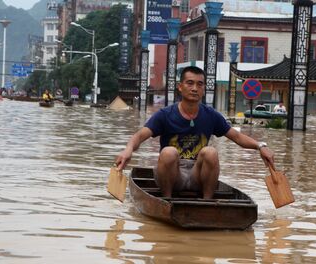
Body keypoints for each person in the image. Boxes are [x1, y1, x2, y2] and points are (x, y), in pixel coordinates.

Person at [114, 66, 275, 199]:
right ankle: (167, 200)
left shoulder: (210, 115)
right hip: (172, 174)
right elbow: (140, 135)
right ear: (180, 86)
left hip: (198, 175)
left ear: (204, 88)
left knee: (210, 152)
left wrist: (260, 146)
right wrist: (128, 150)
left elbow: (237, 136)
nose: (194, 88)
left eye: (199, 84)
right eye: (190, 83)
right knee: (169, 152)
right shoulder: (166, 114)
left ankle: (207, 203)